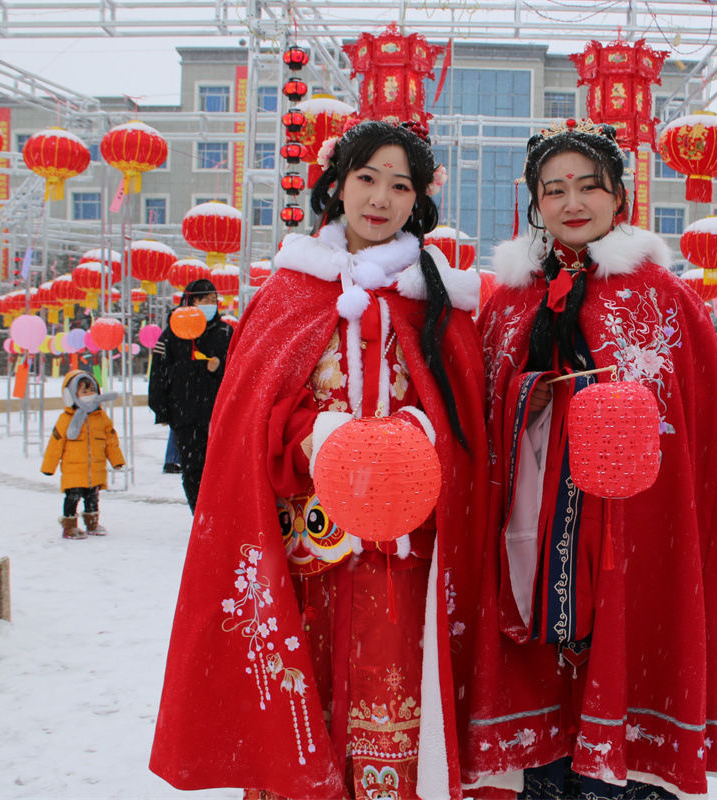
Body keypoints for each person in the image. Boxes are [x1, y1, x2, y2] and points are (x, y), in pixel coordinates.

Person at [150, 119, 489, 800]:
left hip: (405, 554)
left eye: (402, 185)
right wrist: (322, 436)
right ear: (337, 184)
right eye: (368, 178)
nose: (381, 198)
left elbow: (465, 419)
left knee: (397, 698)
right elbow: (247, 420)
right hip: (309, 548)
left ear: (419, 201)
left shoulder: (436, 300)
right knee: (306, 703)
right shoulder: (289, 292)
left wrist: (417, 434)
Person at [464, 119, 717, 798]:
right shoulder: (505, 302)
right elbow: (478, 419)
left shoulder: (667, 300)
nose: (573, 203)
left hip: (636, 533)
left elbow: (698, 438)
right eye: (554, 190)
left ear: (620, 197)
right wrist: (539, 399)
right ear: (534, 204)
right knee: (540, 736)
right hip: (528, 536)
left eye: (590, 186)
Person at [147, 278, 233, 512]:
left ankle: (219, 513)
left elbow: (240, 369)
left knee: (220, 468)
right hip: (185, 415)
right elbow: (159, 372)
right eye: (203, 300)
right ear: (190, 301)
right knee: (193, 469)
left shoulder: (225, 331)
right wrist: (161, 408)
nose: (209, 304)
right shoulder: (172, 334)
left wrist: (221, 364)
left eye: (213, 300)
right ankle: (201, 515)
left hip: (219, 415)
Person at [40, 370, 125, 538]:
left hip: (95, 468)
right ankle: (69, 526)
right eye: (84, 391)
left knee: (93, 497)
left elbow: (111, 442)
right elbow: (55, 444)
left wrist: (117, 461)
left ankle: (92, 523)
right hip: (73, 471)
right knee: (73, 497)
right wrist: (49, 467)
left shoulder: (101, 418)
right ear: (71, 395)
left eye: (91, 390)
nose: (88, 395)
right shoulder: (66, 419)